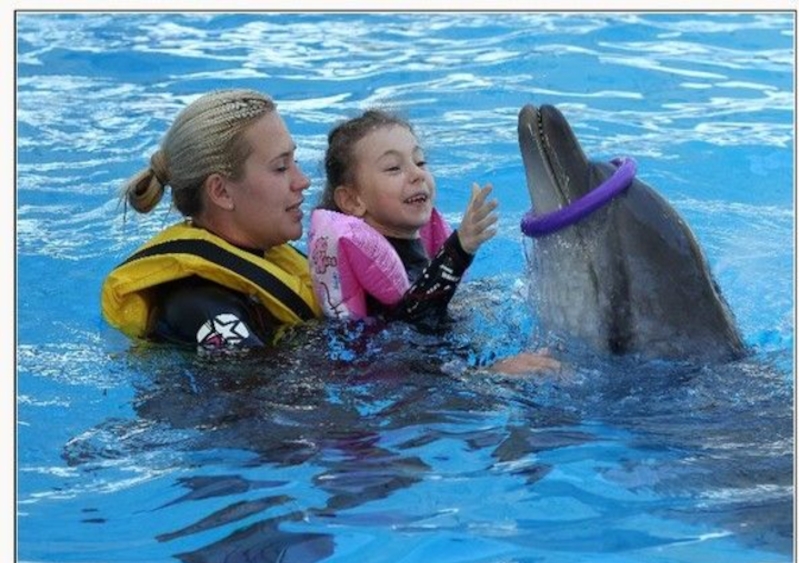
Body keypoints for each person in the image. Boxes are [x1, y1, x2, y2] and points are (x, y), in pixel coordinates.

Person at [308, 109, 560, 374]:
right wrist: (460, 249)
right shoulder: (370, 269)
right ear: (352, 200)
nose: (416, 174)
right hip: (411, 378)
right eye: (393, 168)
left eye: (420, 162)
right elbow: (414, 319)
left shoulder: (413, 254)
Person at [101, 89, 322, 353]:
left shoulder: (265, 259)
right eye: (281, 167)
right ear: (221, 192)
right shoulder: (201, 308)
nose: (303, 181)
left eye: (295, 161)